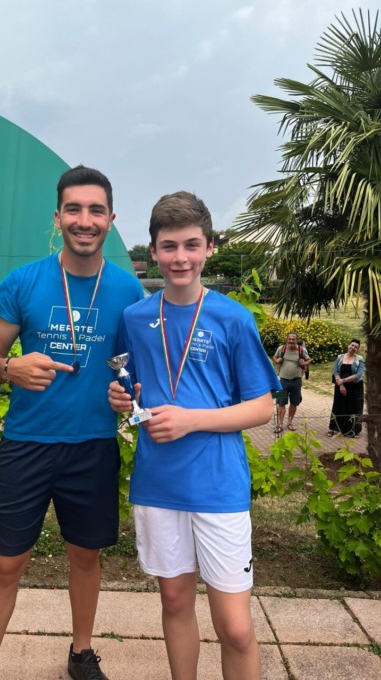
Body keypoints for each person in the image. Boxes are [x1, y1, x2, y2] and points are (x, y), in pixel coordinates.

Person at [0, 165, 145, 680]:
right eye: (74, 209)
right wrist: (10, 368)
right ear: (58, 217)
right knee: (6, 563)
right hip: (26, 443)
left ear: (111, 219)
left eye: (96, 210)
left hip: (92, 446)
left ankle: (81, 653)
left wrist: (127, 395)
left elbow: (133, 371)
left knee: (86, 557)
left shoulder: (128, 291)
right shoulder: (24, 281)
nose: (84, 220)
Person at [108, 191, 280, 680]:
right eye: (168, 246)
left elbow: (263, 407)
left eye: (190, 245)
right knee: (175, 602)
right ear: (153, 250)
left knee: (236, 628)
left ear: (209, 247)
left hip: (218, 486)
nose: (179, 257)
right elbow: (129, 387)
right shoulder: (135, 318)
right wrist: (120, 399)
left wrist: (192, 419)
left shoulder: (232, 317)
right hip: (158, 483)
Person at [272, 332, 311, 433]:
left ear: (296, 340)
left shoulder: (301, 350)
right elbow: (274, 357)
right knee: (280, 403)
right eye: (290, 339)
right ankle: (279, 424)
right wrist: (277, 360)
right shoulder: (281, 349)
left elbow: (309, 360)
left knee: (294, 403)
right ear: (287, 339)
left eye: (293, 339)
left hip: (296, 381)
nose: (291, 341)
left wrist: (304, 363)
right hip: (282, 381)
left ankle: (289, 422)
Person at [327, 338, 365, 438]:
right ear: (348, 345)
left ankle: (353, 431)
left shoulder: (360, 359)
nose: (353, 347)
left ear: (357, 349)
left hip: (355, 387)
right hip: (340, 386)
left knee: (354, 407)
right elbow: (336, 371)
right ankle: (333, 428)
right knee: (338, 406)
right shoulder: (340, 357)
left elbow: (358, 375)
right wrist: (341, 385)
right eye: (352, 345)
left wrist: (343, 381)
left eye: (355, 347)